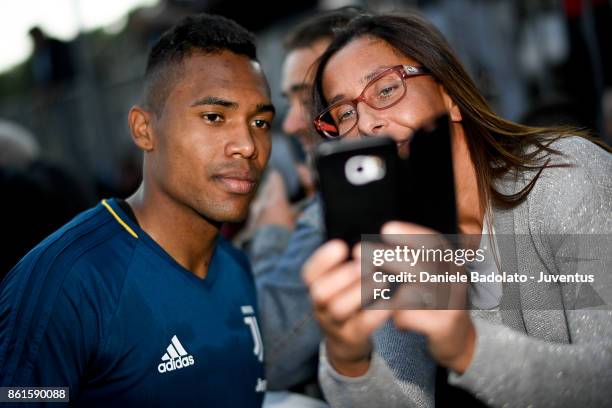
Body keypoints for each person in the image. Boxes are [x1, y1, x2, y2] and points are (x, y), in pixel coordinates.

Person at [302, 11, 612, 408]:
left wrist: (467, 346)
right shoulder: (390, 237)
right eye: (344, 113)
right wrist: (349, 358)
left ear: (449, 95)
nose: (365, 124)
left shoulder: (564, 174)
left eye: (384, 89)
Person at [0, 13, 274, 407]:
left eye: (261, 122)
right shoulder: (64, 284)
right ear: (144, 129)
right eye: (214, 117)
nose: (247, 144)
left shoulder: (236, 267)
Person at [245, 9, 363, 405]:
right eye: (288, 101)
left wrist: (271, 232)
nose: (293, 123)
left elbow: (263, 354)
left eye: (307, 96)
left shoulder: (343, 205)